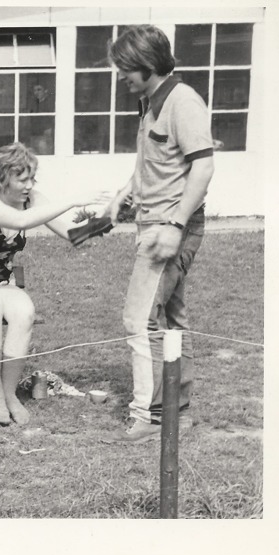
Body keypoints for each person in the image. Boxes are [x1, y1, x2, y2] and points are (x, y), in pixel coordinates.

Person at [0, 142, 110, 426]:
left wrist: (108, 219)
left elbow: (72, 233)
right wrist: (72, 200)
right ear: (3, 177)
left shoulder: (33, 199)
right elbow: (20, 220)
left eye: (32, 179)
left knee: (24, 312)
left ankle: (9, 393)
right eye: (22, 179)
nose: (29, 186)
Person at [103, 25, 214, 443]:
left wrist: (174, 226)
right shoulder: (150, 101)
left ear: (148, 64)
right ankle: (176, 413)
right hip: (155, 222)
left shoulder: (183, 102)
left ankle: (149, 416)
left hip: (170, 228)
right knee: (170, 320)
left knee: (139, 319)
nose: (121, 77)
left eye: (125, 68)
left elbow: (203, 168)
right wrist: (126, 193)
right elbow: (153, 163)